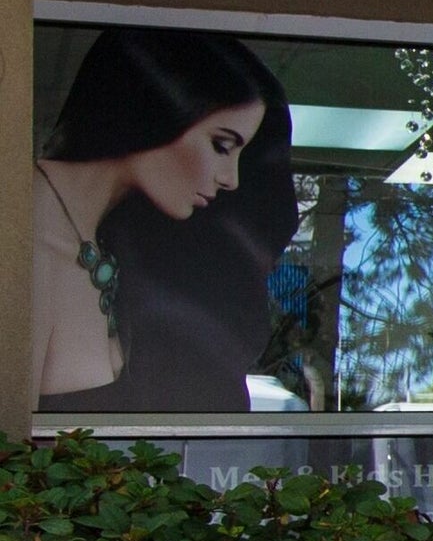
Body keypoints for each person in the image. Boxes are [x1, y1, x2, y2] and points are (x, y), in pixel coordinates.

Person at [34, 26, 293, 412]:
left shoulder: (104, 243)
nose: (230, 179)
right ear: (158, 105)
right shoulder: (29, 231)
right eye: (221, 145)